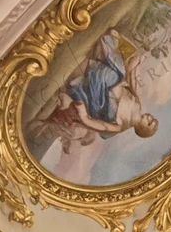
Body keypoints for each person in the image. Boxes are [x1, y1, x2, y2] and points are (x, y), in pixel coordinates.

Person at [38, 28, 159, 157]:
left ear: (141, 129)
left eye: (150, 123)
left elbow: (102, 126)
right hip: (111, 80)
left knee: (116, 71)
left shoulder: (121, 126)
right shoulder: (138, 104)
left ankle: (107, 44)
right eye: (153, 119)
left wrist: (84, 115)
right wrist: (136, 67)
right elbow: (134, 84)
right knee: (123, 68)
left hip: (97, 95)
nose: (150, 118)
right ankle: (110, 41)